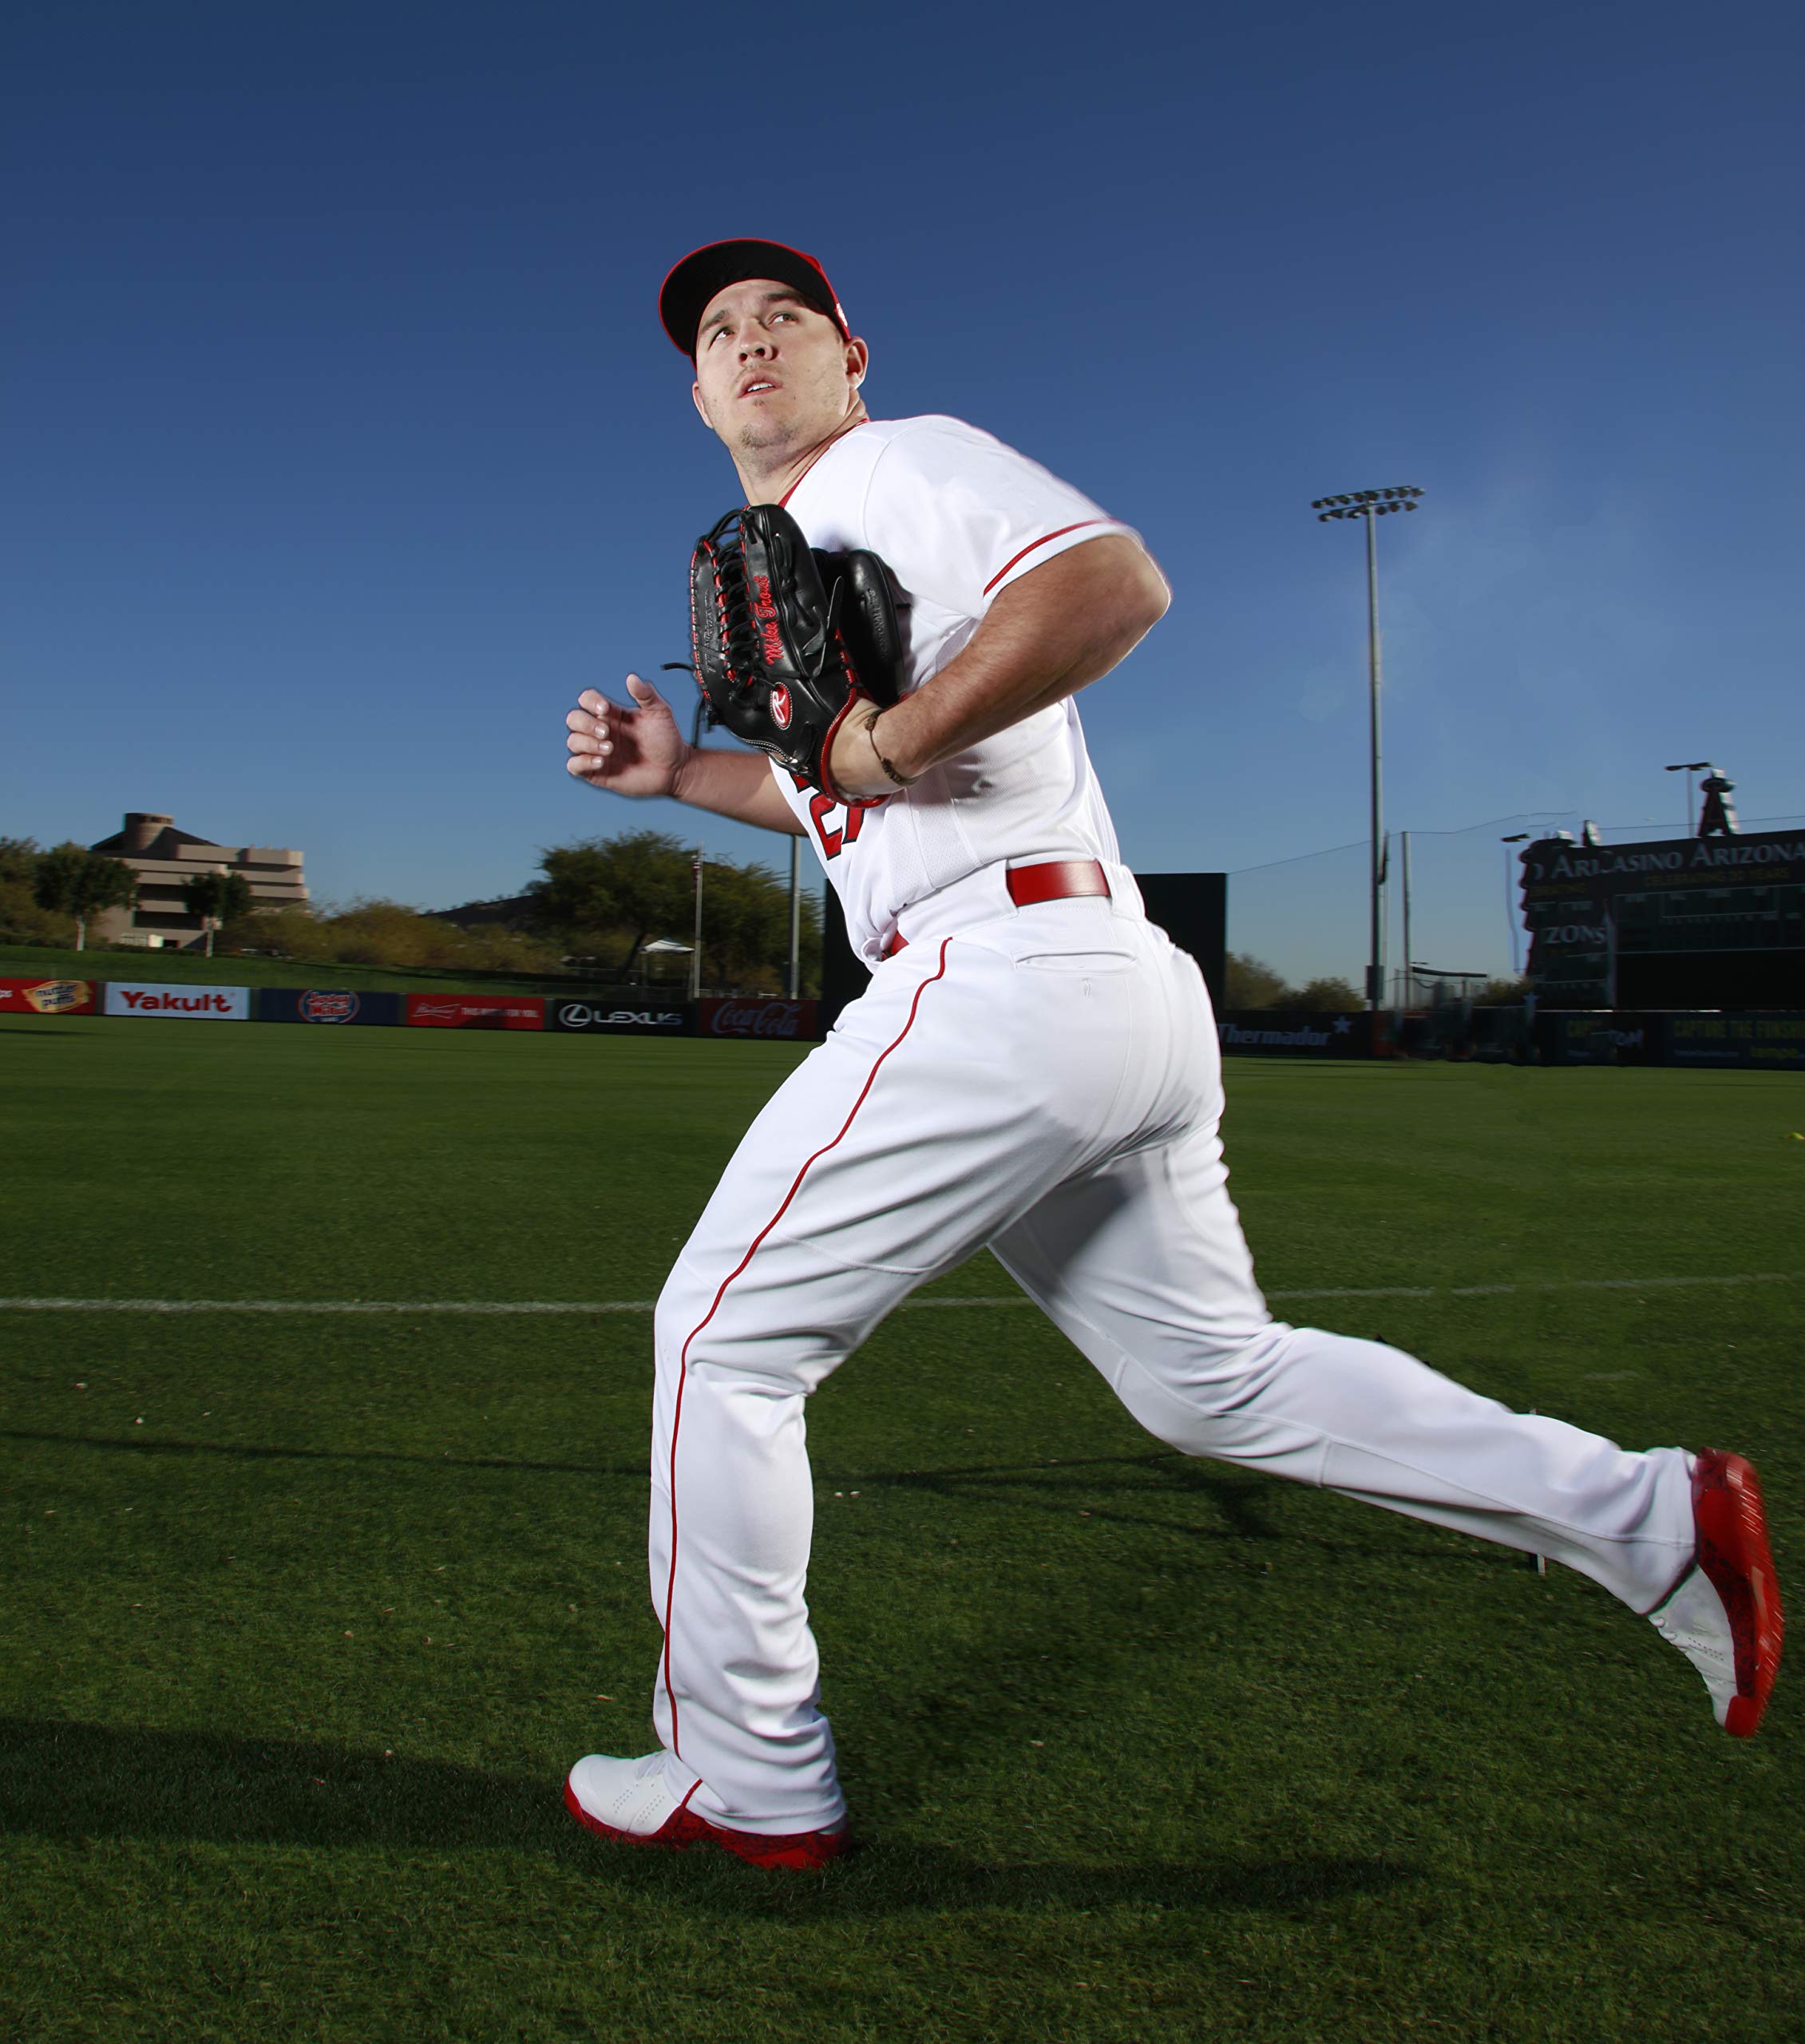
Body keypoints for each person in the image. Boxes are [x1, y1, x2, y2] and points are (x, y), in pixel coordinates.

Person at [559, 239, 1782, 1871]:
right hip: (1103, 980)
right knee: (1218, 1381)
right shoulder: (819, 529)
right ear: (697, 390)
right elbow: (827, 786)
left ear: (855, 354)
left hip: (1000, 976)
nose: (754, 340)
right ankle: (1654, 1516)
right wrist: (680, 776)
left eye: (788, 317)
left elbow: (1111, 584)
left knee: (722, 1341)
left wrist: (899, 736)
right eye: (721, 331)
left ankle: (751, 1768)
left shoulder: (902, 461)